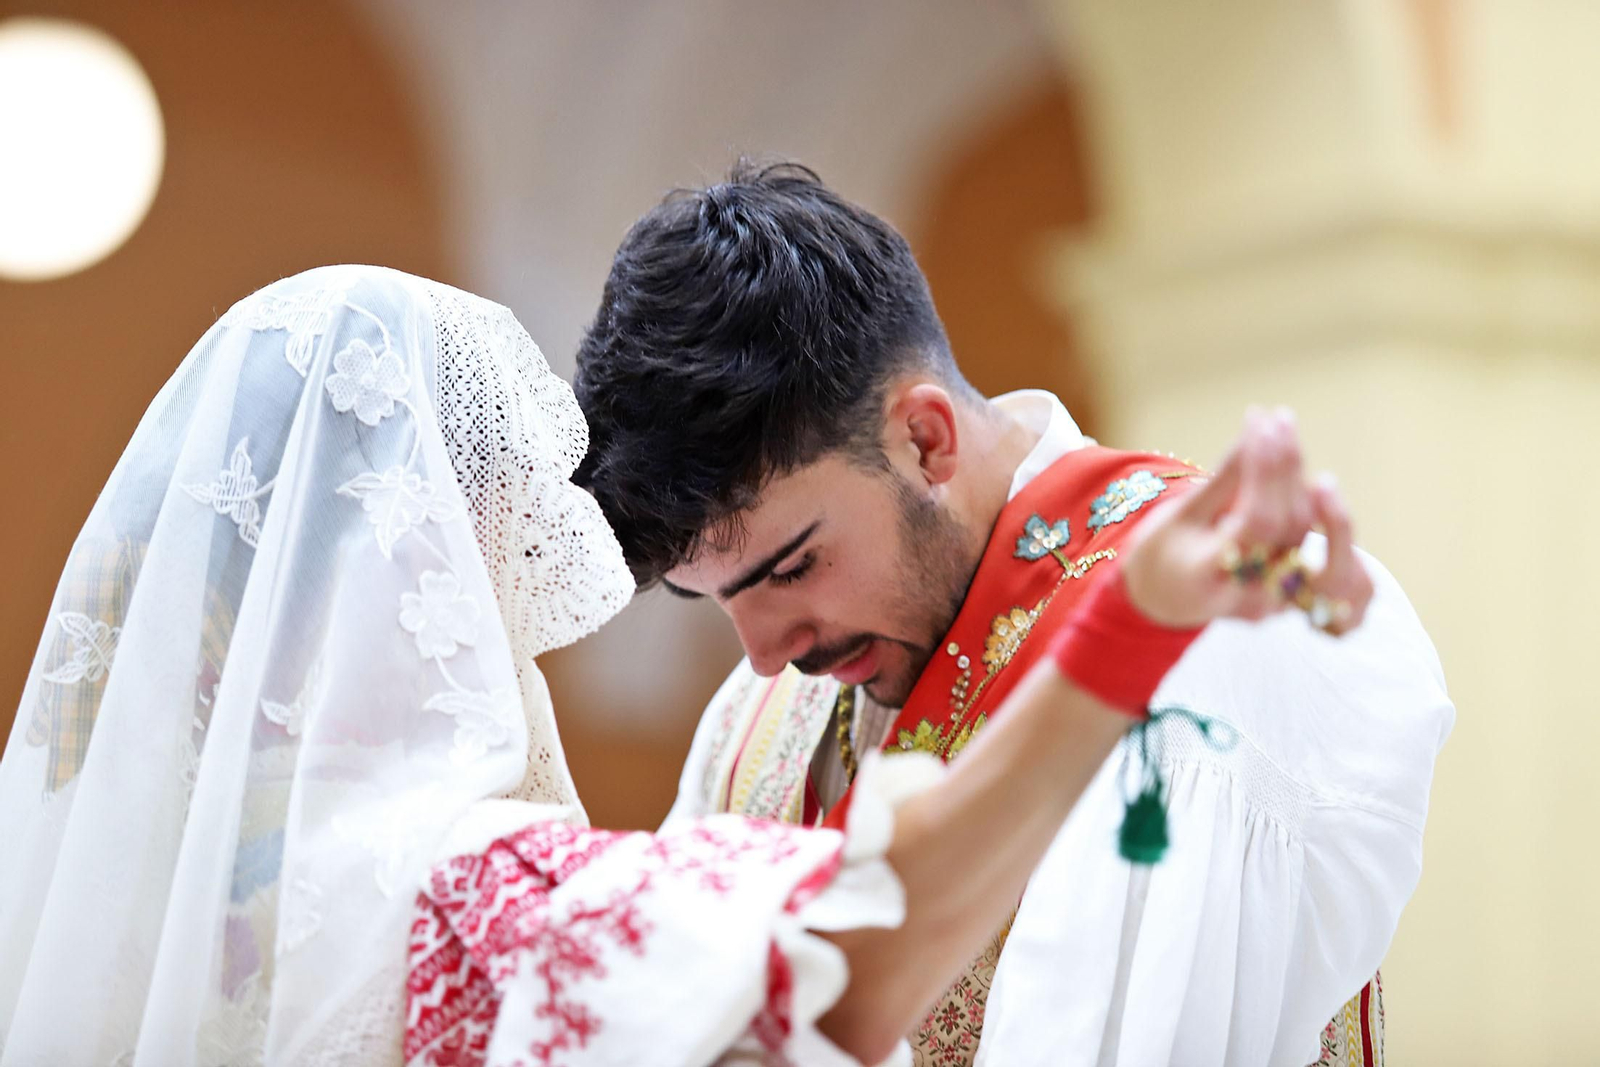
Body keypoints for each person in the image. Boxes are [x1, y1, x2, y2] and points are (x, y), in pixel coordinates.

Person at [0, 266, 1360, 1067]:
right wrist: (1134, 625)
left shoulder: (127, 894)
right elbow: (872, 936)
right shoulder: (456, 892)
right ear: (410, 582)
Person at [572, 161, 1456, 1066]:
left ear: (925, 438)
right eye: (714, 596)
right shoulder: (754, 718)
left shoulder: (1213, 632)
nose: (763, 655)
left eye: (792, 566)